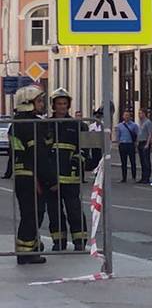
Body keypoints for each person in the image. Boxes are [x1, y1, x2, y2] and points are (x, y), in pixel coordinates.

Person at [10, 85, 57, 264]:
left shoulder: (18, 123)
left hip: (23, 175)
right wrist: (51, 179)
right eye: (38, 101)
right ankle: (26, 253)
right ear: (27, 103)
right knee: (33, 214)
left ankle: (31, 247)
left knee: (29, 213)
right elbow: (39, 156)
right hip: (32, 176)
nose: (42, 104)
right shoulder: (32, 125)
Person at [46, 88, 89, 251]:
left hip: (71, 177)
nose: (62, 107)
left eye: (64, 103)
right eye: (59, 104)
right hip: (51, 177)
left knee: (74, 210)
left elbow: (84, 151)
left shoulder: (76, 125)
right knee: (54, 212)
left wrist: (76, 165)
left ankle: (79, 241)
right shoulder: (45, 125)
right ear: (53, 106)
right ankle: (59, 241)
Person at [116, 110, 139, 183]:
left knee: (133, 161)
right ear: (123, 116)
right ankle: (124, 177)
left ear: (130, 116)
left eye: (128, 115)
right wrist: (118, 143)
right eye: (125, 115)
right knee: (123, 162)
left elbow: (137, 135)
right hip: (123, 144)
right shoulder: (119, 126)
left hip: (130, 144)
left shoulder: (134, 125)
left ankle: (133, 177)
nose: (126, 117)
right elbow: (117, 135)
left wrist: (136, 144)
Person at [136, 109, 152, 184]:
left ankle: (147, 177)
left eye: (140, 113)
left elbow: (150, 134)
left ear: (144, 114)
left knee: (146, 160)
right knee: (142, 161)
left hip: (145, 143)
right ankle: (143, 177)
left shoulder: (148, 122)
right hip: (140, 142)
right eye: (138, 113)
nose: (139, 115)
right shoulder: (140, 122)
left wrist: (147, 144)